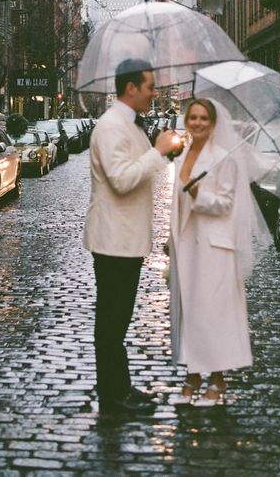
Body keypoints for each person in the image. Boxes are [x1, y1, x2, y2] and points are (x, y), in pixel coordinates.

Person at [83, 58, 179, 416]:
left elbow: (142, 168)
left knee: (117, 320)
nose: (155, 93)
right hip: (113, 242)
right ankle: (113, 396)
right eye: (150, 86)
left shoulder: (130, 126)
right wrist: (159, 152)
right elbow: (122, 180)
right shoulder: (111, 127)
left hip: (126, 240)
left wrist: (161, 150)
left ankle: (120, 387)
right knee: (111, 322)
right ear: (131, 88)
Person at [169, 98, 271, 406]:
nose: (197, 123)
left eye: (203, 118)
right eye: (193, 117)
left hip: (214, 247)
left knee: (213, 314)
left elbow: (226, 204)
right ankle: (193, 376)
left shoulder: (223, 158)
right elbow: (178, 203)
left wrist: (199, 192)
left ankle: (216, 380)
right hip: (187, 245)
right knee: (190, 312)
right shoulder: (185, 152)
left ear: (213, 124)